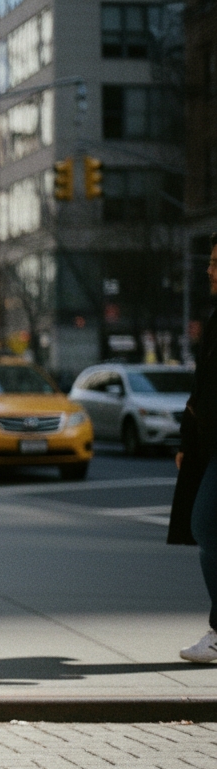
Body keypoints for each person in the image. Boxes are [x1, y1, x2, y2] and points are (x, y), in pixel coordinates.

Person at [169, 231, 217, 663]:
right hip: (210, 447)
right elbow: (203, 390)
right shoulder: (216, 317)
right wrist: (190, 442)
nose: (209, 269)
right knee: (206, 528)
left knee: (205, 524)